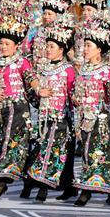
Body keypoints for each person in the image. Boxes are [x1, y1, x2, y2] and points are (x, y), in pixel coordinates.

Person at [73, 11, 110, 206]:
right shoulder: (83, 69)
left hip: (100, 119)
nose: (84, 49)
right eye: (84, 45)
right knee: (87, 152)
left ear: (99, 50)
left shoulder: (105, 71)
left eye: (88, 46)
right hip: (84, 118)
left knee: (100, 152)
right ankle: (109, 185)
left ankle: (87, 190)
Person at [0, 10, 38, 198]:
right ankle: (12, 176)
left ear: (17, 45)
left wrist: (39, 89)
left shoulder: (22, 62)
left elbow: (31, 78)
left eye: (7, 44)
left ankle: (3, 180)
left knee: (15, 144)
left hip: (17, 109)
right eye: (1, 43)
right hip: (0, 109)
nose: (3, 47)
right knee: (0, 142)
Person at [27, 16, 76, 203]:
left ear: (62, 50)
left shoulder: (68, 70)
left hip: (62, 117)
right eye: (47, 46)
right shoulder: (42, 69)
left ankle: (45, 187)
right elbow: (34, 88)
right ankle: (65, 185)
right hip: (45, 117)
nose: (47, 50)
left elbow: (73, 94)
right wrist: (39, 91)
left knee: (58, 151)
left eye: (52, 47)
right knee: (46, 149)